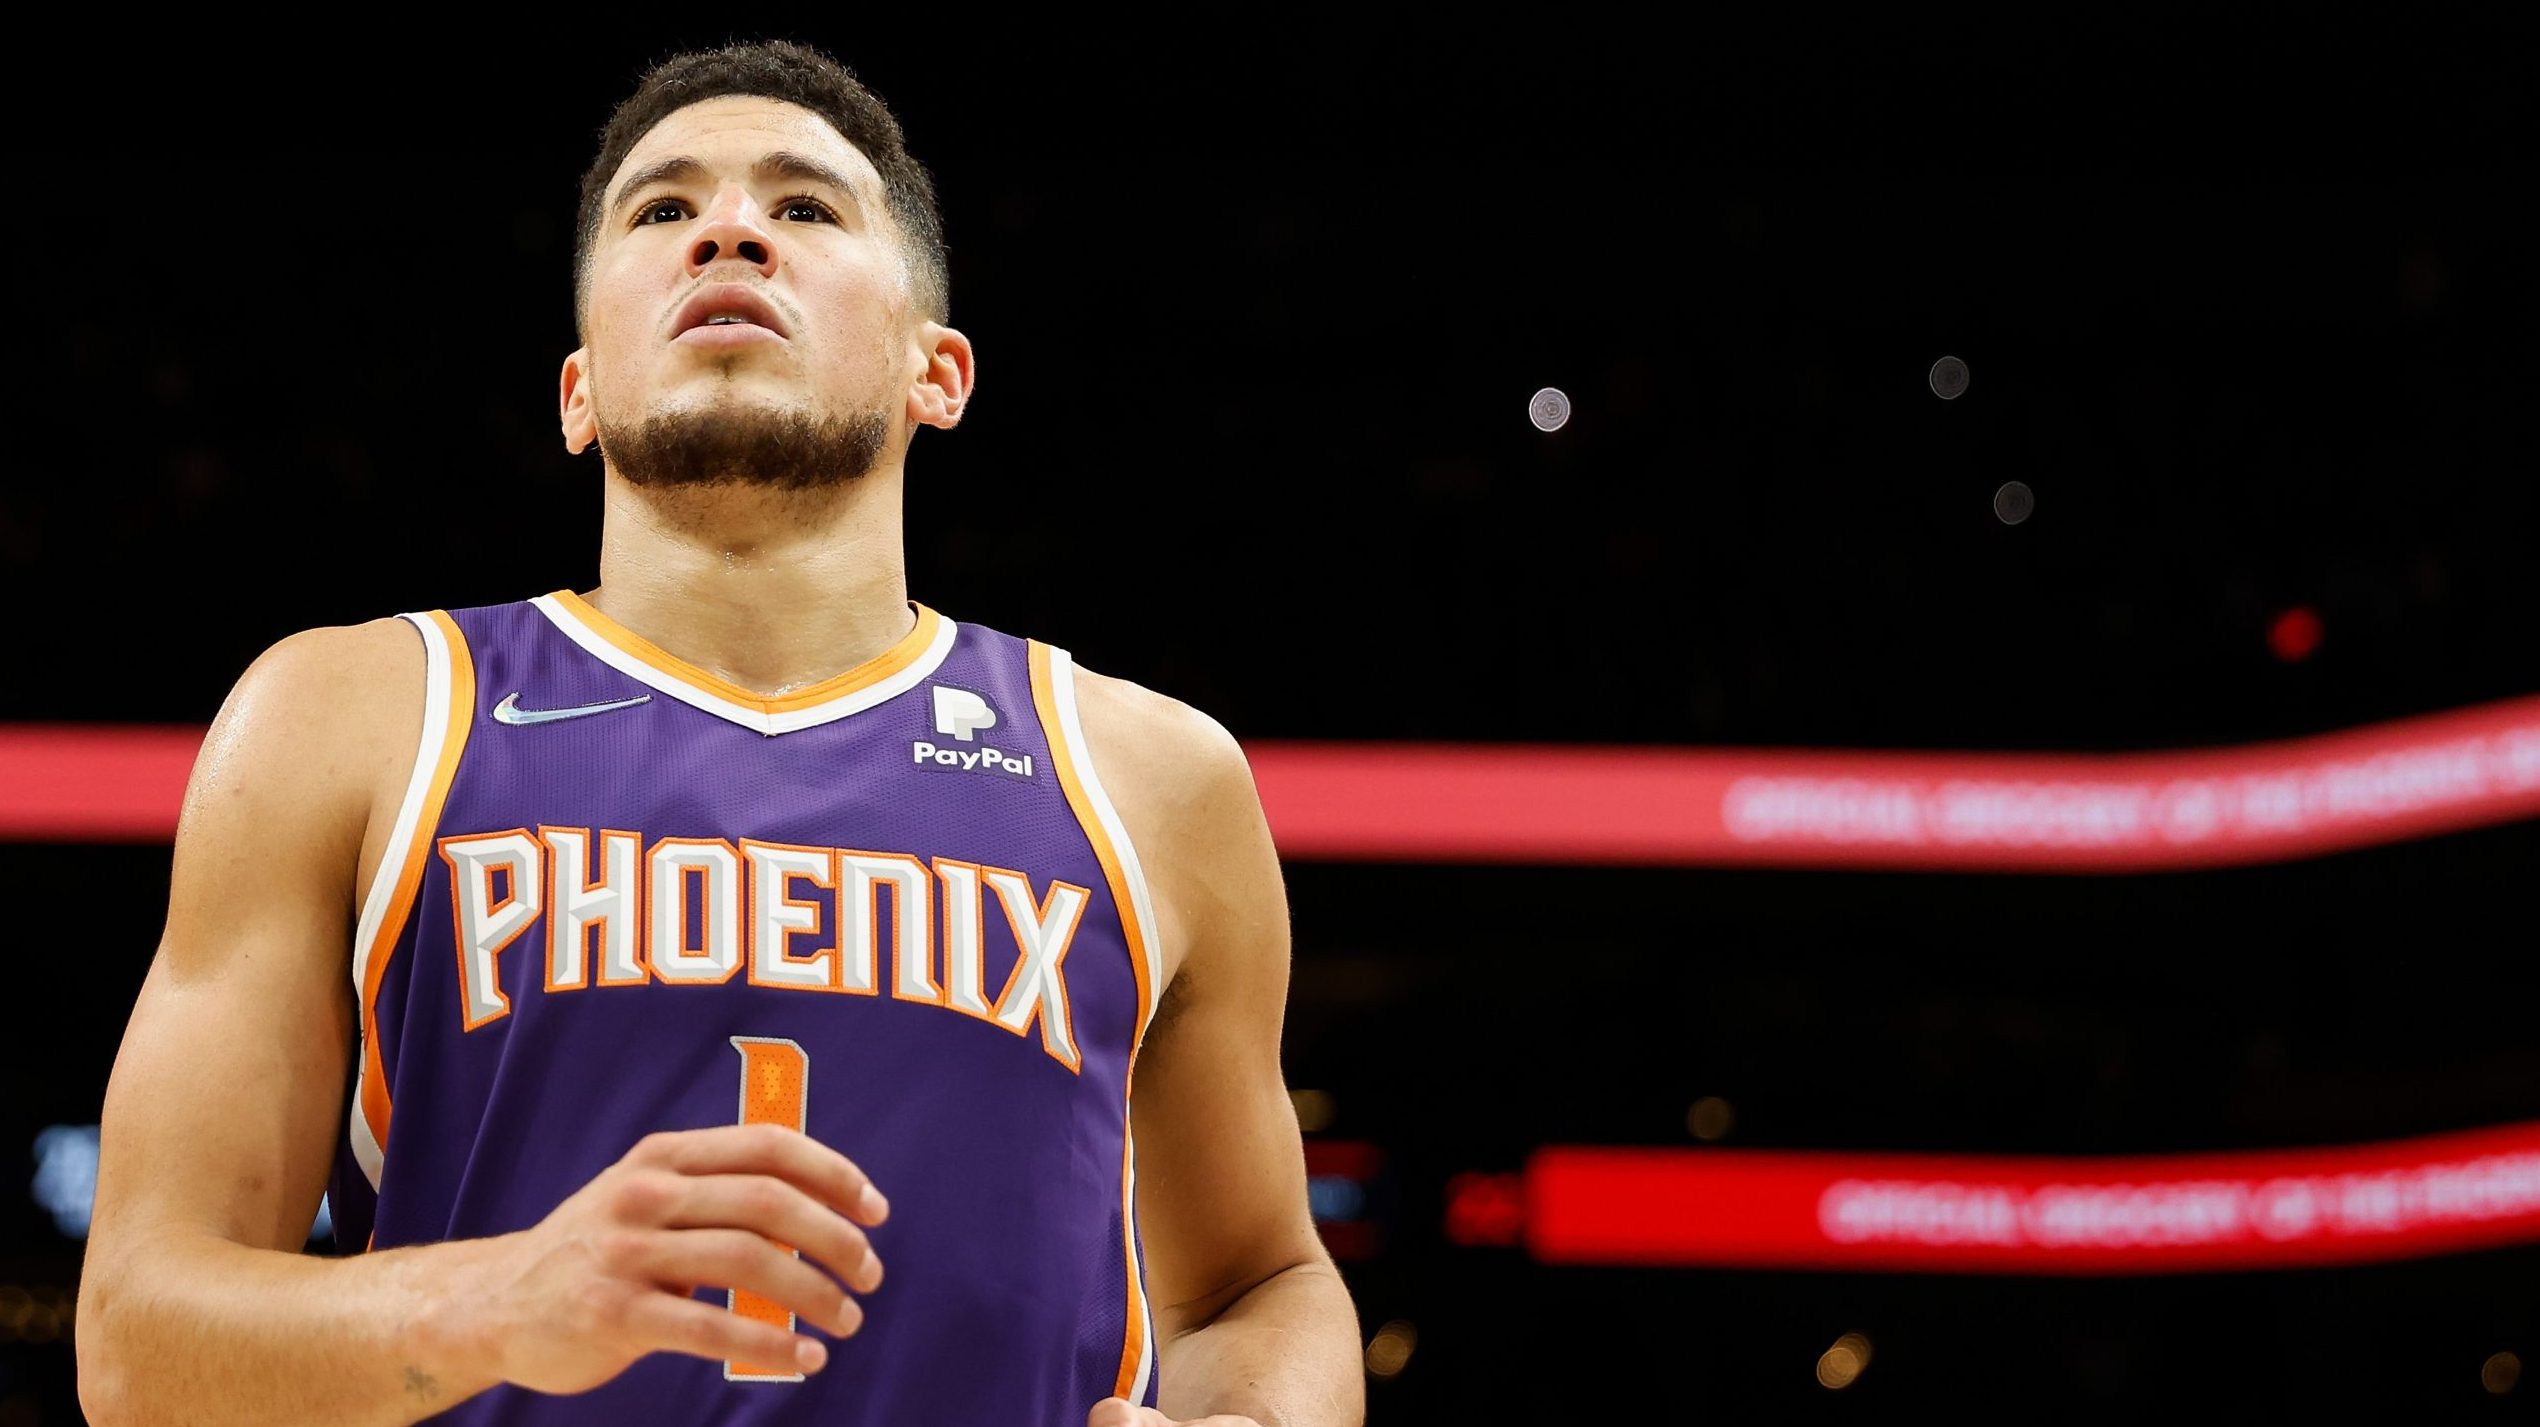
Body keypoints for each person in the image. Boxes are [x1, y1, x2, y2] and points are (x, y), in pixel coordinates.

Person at [73, 38, 1365, 1427]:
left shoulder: (1150, 774)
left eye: (805, 208)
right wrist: (497, 1303)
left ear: (940, 372)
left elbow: (1259, 1285)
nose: (730, 229)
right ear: (579, 392)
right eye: (662, 210)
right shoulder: (353, 717)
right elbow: (140, 1346)